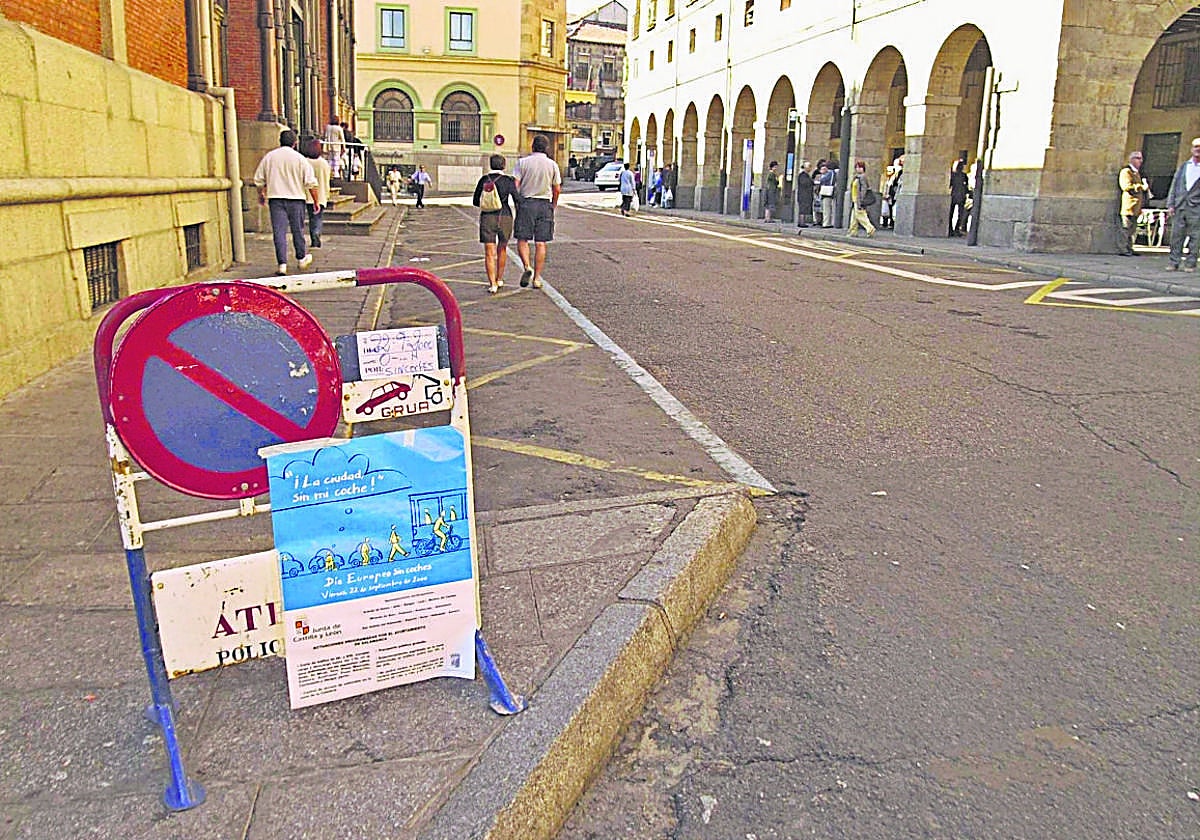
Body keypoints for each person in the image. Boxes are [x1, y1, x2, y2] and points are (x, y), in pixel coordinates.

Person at [253, 129, 319, 275]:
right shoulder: (300, 159)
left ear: (280, 141)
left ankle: (282, 264)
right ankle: (301, 258)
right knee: (298, 230)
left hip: (276, 198)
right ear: (295, 143)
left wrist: (261, 194)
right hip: (296, 199)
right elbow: (311, 183)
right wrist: (316, 201)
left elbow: (259, 180)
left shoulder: (270, 157)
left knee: (279, 232)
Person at [513, 134, 562, 290]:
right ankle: (537, 278)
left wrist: (518, 201)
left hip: (527, 203)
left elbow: (516, 184)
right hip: (544, 204)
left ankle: (527, 266)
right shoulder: (552, 165)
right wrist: (553, 204)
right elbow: (557, 188)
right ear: (546, 148)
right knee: (541, 242)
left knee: (522, 239)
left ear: (532, 146)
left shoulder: (522, 163)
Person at [471, 153, 519, 294]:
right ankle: (499, 278)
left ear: (491, 165)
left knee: (489, 252)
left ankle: (492, 284)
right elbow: (517, 199)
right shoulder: (508, 181)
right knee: (502, 249)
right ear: (504, 165)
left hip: (488, 217)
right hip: (505, 217)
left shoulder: (484, 180)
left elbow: (475, 201)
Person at [1165, 136, 1200, 273]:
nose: (1198, 149)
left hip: (1196, 208)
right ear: (1191, 149)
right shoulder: (1184, 167)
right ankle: (1174, 262)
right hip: (1180, 206)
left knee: (1195, 237)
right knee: (1176, 236)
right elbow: (1174, 186)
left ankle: (1190, 263)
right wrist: (1170, 204)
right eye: (1196, 146)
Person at [300, 135, 331, 249]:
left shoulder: (304, 162)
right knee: (317, 218)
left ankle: (310, 237)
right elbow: (327, 180)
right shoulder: (324, 163)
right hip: (320, 194)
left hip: (306, 194)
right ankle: (316, 234)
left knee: (305, 217)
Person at [1117, 151, 1151, 256]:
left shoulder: (1137, 172)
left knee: (1132, 229)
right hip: (1128, 206)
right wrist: (1141, 186)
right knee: (1125, 228)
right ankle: (1123, 249)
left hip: (1136, 207)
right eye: (1137, 158)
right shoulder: (1126, 171)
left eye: (1141, 158)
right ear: (1131, 159)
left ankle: (1129, 247)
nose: (1140, 161)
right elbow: (1126, 186)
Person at [847, 160, 876, 238]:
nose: (858, 169)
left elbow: (864, 189)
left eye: (860, 167)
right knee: (854, 217)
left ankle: (870, 228)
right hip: (854, 199)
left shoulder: (863, 177)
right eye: (856, 167)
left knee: (861, 216)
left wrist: (861, 200)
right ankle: (853, 231)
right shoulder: (856, 177)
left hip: (858, 200)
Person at [948, 159, 969, 236]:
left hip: (956, 196)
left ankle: (954, 229)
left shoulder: (960, 175)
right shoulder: (958, 175)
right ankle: (953, 229)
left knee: (957, 214)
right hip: (957, 196)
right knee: (954, 214)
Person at [819, 159, 838, 227]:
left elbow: (822, 180)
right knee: (831, 208)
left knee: (826, 208)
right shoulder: (835, 172)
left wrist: (822, 174)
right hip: (831, 191)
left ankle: (826, 223)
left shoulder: (829, 173)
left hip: (827, 192)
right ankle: (831, 222)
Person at [795, 160, 814, 229]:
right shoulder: (802, 175)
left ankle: (802, 222)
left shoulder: (806, 175)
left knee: (804, 209)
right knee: (802, 209)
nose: (810, 168)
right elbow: (805, 183)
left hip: (806, 194)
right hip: (803, 195)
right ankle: (801, 222)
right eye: (809, 167)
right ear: (806, 168)